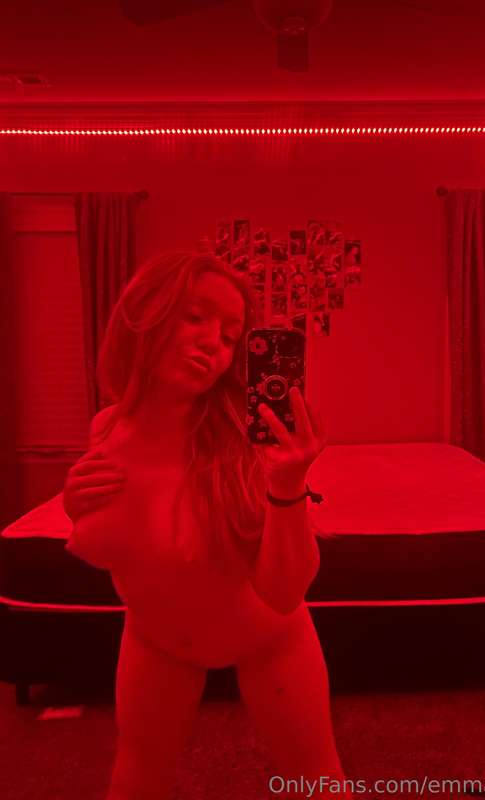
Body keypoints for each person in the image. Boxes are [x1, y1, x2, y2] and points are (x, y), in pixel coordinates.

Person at [62, 251, 354, 800]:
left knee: (316, 778)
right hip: (157, 638)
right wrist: (75, 507)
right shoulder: (106, 429)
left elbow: (285, 591)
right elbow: (108, 548)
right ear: (145, 313)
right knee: (138, 776)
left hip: (269, 637)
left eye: (229, 336)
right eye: (195, 317)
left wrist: (288, 483)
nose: (212, 345)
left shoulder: (247, 439)